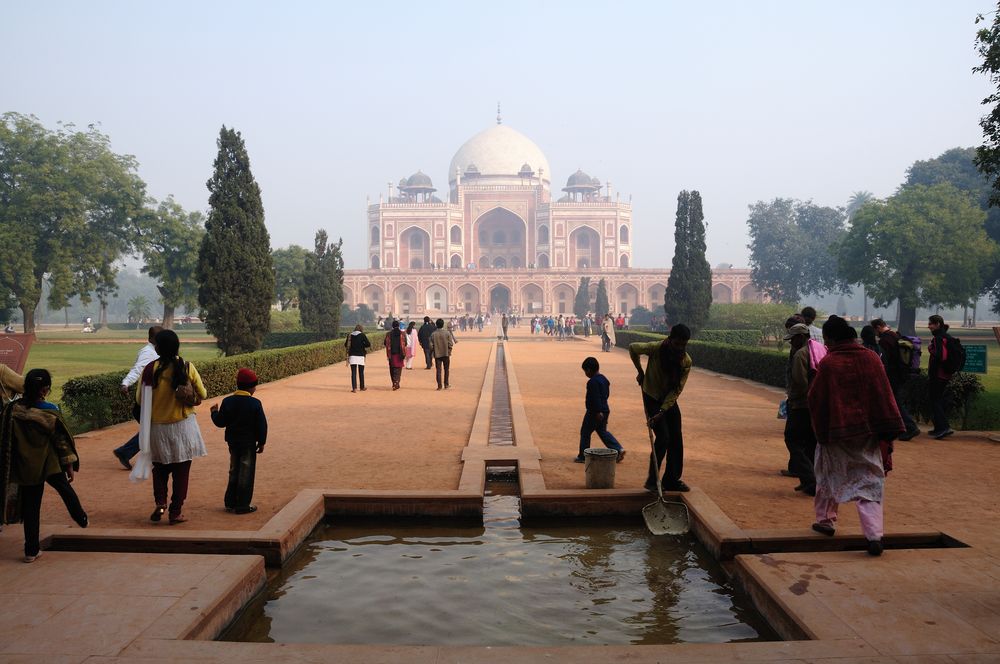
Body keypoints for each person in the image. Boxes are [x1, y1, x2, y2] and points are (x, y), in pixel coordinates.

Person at [807, 315, 903, 556]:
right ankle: (874, 535)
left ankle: (826, 521)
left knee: (827, 473)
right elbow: (884, 392)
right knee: (869, 481)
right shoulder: (871, 358)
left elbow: (816, 398)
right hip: (868, 431)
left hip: (837, 432)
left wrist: (820, 429)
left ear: (831, 338)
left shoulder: (830, 363)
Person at [0, 369, 88, 562]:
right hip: (49, 464)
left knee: (31, 509)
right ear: (45, 390)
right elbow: (62, 442)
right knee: (65, 489)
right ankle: (80, 516)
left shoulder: (12, 411)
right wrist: (70, 465)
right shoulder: (50, 412)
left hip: (26, 468)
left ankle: (31, 551)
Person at [137, 329, 208, 525]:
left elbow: (139, 399)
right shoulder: (186, 366)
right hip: (183, 428)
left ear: (158, 347)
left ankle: (161, 502)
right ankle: (175, 511)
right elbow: (202, 393)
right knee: (181, 471)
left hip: (157, 428)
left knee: (159, 469)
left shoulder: (149, 369)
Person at [630, 324, 692, 492]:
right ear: (670, 339)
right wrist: (640, 371)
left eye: (684, 344)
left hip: (668, 400)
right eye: (677, 343)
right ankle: (652, 480)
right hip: (651, 395)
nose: (680, 348)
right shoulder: (656, 348)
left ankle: (671, 479)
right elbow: (633, 348)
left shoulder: (685, 361)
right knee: (663, 437)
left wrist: (662, 411)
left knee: (676, 439)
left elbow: (676, 390)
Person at [210, 368, 268, 515]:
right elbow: (262, 425)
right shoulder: (255, 403)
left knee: (234, 470)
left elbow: (220, 422)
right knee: (246, 472)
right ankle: (242, 504)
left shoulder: (227, 401)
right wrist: (261, 442)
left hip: (233, 442)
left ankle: (230, 502)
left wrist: (214, 412)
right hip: (248, 443)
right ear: (251, 387)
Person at [113, 326, 163, 470]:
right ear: (151, 339)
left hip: (149, 400)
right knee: (153, 429)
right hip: (145, 401)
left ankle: (128, 452)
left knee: (153, 430)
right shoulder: (148, 353)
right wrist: (126, 383)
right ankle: (125, 452)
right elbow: (137, 369)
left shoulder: (155, 352)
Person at [871, 319, 919, 440]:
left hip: (893, 375)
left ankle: (910, 426)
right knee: (896, 401)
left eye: (875, 330)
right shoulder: (895, 335)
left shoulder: (885, 340)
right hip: (901, 374)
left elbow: (885, 360)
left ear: (878, 327)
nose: (875, 334)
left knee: (896, 402)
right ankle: (902, 427)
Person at [783, 323, 817, 496]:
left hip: (801, 404)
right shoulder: (817, 349)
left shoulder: (800, 355)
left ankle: (810, 479)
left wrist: (793, 399)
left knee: (792, 439)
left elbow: (799, 382)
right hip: (817, 404)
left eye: (793, 339)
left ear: (800, 337)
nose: (791, 343)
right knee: (811, 442)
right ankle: (810, 480)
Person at [574, 356, 625, 464]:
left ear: (588, 370)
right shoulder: (604, 379)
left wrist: (598, 411)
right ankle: (618, 449)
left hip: (594, 412)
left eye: (585, 371)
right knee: (602, 431)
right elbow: (605, 394)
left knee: (585, 432)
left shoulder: (592, 382)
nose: (585, 374)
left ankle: (583, 456)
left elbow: (595, 397)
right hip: (605, 410)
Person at [927, 315, 958, 439]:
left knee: (935, 400)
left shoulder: (939, 338)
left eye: (931, 324)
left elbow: (941, 356)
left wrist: (931, 349)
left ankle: (944, 427)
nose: (929, 326)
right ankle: (939, 427)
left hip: (938, 374)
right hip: (945, 373)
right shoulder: (947, 337)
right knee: (937, 399)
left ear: (938, 324)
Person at [345, 324, 371, 392]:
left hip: (352, 355)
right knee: (361, 372)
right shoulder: (362, 335)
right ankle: (362, 387)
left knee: (353, 372)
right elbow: (368, 344)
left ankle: (354, 388)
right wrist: (362, 344)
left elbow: (346, 345)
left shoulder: (350, 335)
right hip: (361, 355)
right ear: (361, 329)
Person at [430, 318, 455, 390]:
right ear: (443, 324)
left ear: (436, 325)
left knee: (438, 370)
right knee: (446, 369)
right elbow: (450, 344)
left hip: (437, 355)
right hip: (446, 354)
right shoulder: (447, 333)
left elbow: (431, 346)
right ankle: (446, 384)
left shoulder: (433, 334)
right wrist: (449, 351)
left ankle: (439, 386)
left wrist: (434, 350)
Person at [384, 321, 407, 390]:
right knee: (398, 369)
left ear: (392, 326)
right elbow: (405, 343)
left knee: (392, 369)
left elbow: (385, 343)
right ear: (398, 326)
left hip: (391, 353)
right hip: (400, 354)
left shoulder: (388, 334)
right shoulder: (402, 334)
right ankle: (396, 382)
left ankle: (394, 382)